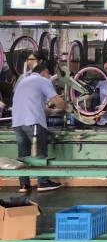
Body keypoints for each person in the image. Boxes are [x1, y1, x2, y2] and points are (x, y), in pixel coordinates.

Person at [12, 54, 64, 193]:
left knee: (23, 154)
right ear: (44, 72)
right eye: (48, 74)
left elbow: (32, 104)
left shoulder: (23, 81)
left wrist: (52, 112)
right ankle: (43, 182)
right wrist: (69, 108)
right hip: (33, 122)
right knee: (40, 153)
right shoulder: (43, 81)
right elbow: (57, 101)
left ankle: (24, 184)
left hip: (17, 122)